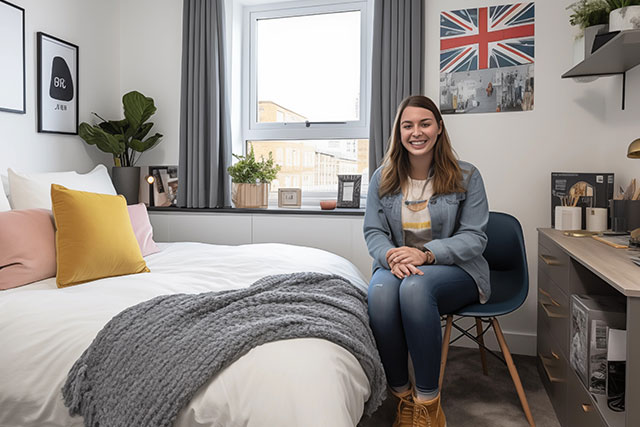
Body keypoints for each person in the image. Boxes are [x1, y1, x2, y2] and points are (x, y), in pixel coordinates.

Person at [363, 95, 490, 427]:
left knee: (415, 289)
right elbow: (374, 232)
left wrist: (427, 253)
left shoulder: (467, 176)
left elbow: (475, 238)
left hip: (453, 269)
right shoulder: (382, 177)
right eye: (408, 125)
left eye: (424, 123)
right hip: (397, 265)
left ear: (438, 128)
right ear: (399, 132)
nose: (416, 132)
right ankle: (403, 397)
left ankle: (429, 404)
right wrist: (390, 255)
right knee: (379, 293)